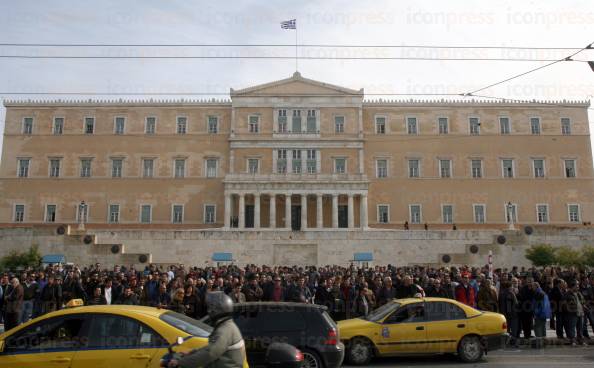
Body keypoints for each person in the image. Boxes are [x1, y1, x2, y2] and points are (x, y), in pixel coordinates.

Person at [170, 292, 245, 368]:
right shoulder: (227, 325)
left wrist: (180, 362)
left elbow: (210, 353)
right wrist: (191, 353)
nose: (209, 311)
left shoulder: (224, 330)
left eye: (210, 308)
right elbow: (210, 348)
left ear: (216, 310)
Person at [499, 280, 520, 348]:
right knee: (514, 329)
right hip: (512, 314)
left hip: (504, 314)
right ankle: (513, 343)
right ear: (510, 286)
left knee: (506, 330)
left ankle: (505, 343)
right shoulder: (511, 293)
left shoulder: (501, 293)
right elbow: (515, 304)